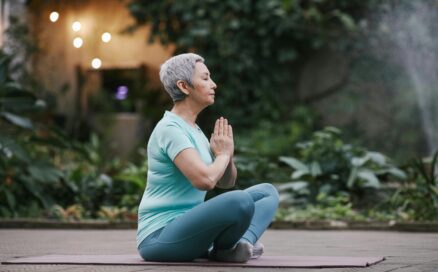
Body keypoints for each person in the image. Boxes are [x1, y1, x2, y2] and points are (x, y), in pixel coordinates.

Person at [137, 53, 279, 263]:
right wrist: (221, 155)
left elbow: (225, 182)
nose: (213, 84)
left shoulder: (194, 130)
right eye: (205, 78)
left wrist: (227, 155)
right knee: (240, 200)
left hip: (190, 230)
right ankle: (225, 248)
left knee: (266, 193)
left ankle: (238, 246)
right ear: (184, 86)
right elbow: (205, 181)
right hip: (160, 236)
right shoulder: (169, 129)